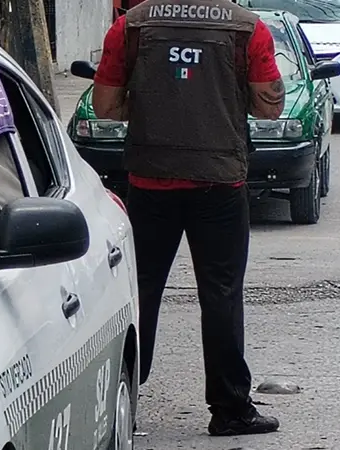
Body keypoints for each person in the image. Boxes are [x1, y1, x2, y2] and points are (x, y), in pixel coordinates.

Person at [92, 0, 285, 437]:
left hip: (150, 181)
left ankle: (124, 399)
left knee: (140, 291)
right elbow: (269, 108)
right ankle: (230, 409)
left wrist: (153, 106)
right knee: (221, 294)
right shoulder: (247, 28)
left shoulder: (131, 25)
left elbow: (105, 105)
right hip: (220, 183)